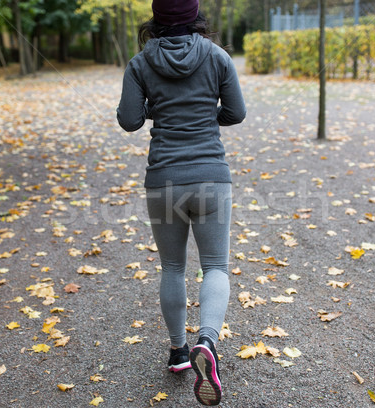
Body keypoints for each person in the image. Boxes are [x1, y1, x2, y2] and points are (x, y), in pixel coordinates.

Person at [117, 0, 246, 405]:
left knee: (172, 267)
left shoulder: (140, 63)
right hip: (211, 177)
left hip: (164, 181)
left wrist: (158, 109)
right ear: (195, 17)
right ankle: (206, 341)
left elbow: (129, 121)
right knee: (216, 267)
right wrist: (207, 116)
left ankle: (178, 352)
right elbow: (237, 113)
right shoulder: (218, 56)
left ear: (155, 20)